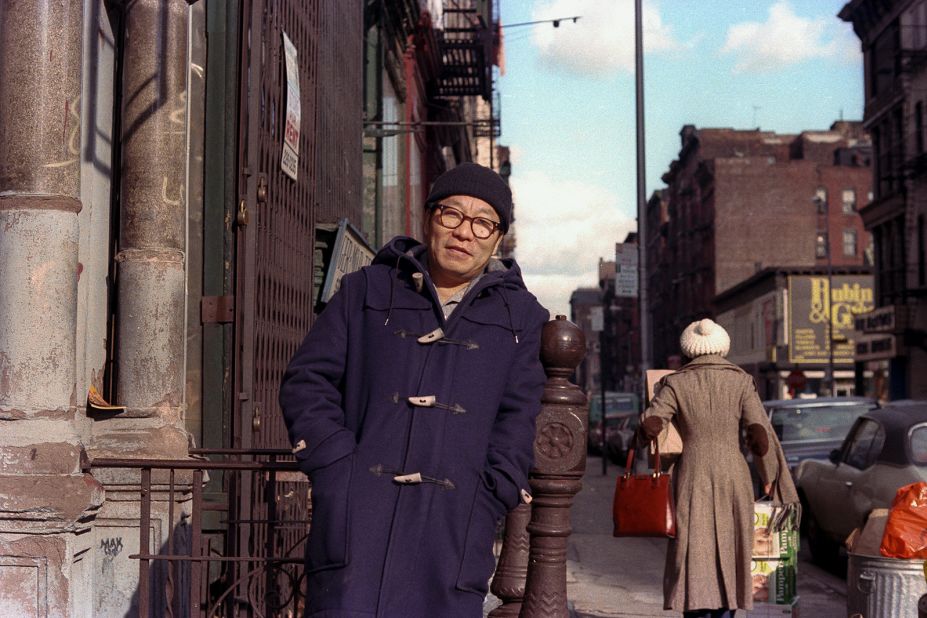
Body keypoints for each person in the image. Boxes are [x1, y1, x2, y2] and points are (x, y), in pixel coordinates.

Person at [279, 162, 548, 618]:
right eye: (452, 215)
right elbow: (308, 380)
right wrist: (336, 469)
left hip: (454, 525)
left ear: (497, 237)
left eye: (483, 222)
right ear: (429, 218)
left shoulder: (521, 318)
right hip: (356, 519)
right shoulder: (367, 289)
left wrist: (489, 493)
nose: (465, 232)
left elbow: (522, 418)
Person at [638, 318, 797, 618]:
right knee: (732, 544)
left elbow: (652, 422)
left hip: (691, 473)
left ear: (689, 350)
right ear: (722, 348)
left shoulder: (675, 383)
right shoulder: (741, 381)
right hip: (733, 474)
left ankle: (695, 610)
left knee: (692, 548)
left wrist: (648, 428)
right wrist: (768, 478)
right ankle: (726, 611)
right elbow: (759, 436)